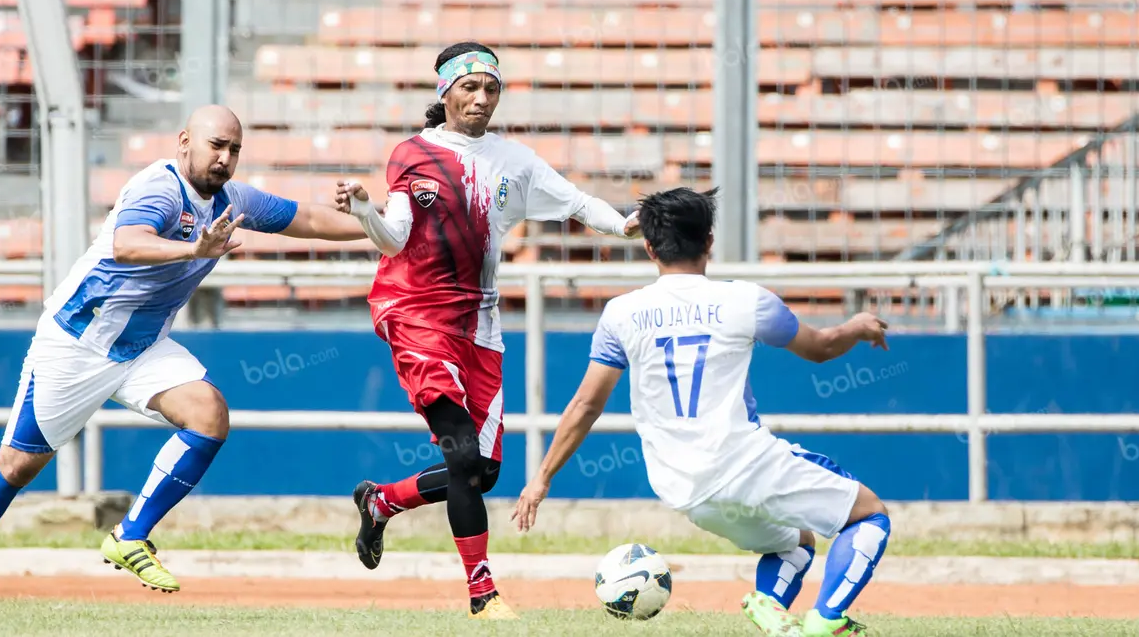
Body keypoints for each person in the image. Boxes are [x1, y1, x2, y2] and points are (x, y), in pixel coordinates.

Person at [0, 105, 372, 621]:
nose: (225, 158)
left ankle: (131, 535)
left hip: (141, 348)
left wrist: (376, 229)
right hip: (78, 343)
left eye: (234, 149)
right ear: (185, 142)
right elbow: (127, 243)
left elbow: (307, 219)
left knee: (210, 414)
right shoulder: (157, 188)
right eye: (216, 145)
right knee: (16, 467)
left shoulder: (233, 200)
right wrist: (191, 249)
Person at [332, 41, 641, 620]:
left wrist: (625, 225)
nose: (481, 97)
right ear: (443, 91)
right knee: (463, 450)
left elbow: (576, 202)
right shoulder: (414, 154)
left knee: (482, 471)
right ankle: (484, 595)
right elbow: (394, 239)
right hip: (417, 314)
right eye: (469, 86)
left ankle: (382, 502)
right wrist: (365, 211)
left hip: (481, 325)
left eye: (491, 88)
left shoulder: (514, 160)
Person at [510, 187, 893, 637]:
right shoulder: (747, 301)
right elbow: (822, 349)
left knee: (796, 543)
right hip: (746, 463)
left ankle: (769, 606)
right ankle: (828, 622)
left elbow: (586, 405)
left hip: (684, 490)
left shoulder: (621, 314)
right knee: (870, 515)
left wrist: (542, 478)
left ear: (649, 248)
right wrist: (857, 326)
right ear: (709, 241)